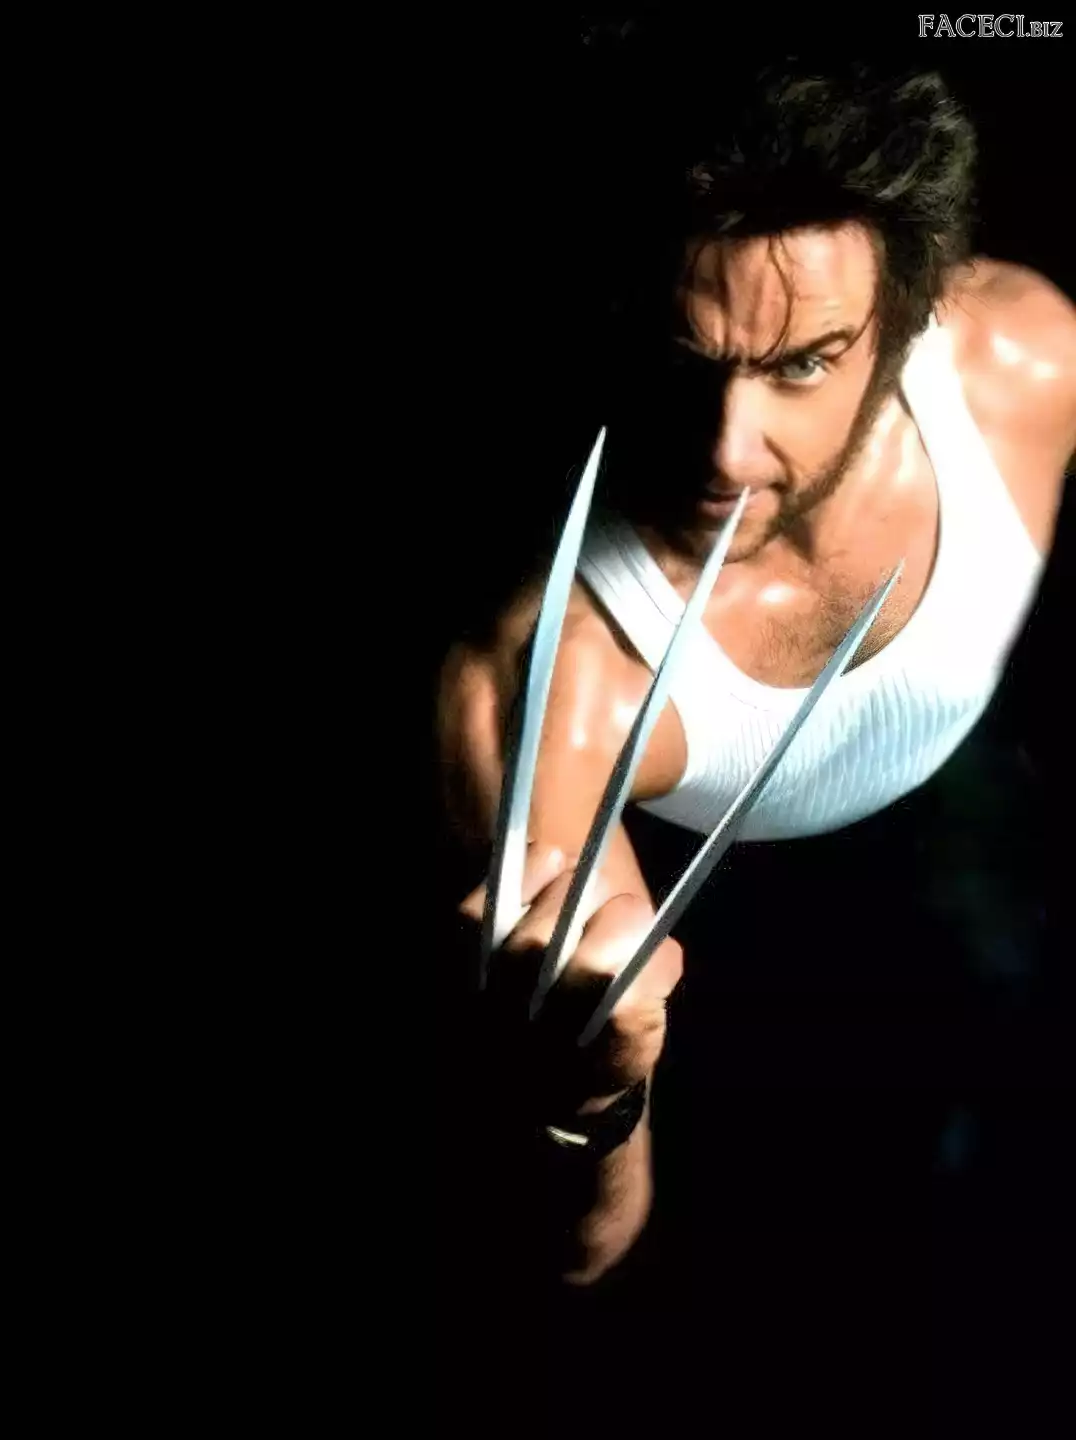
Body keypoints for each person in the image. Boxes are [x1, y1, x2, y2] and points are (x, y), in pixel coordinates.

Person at [438, 46, 1076, 1423]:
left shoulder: (1029, 358)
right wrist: (591, 1098)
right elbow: (585, 1253)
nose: (727, 449)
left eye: (804, 363)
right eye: (690, 362)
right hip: (768, 1026)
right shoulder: (553, 680)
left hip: (1000, 855)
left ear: (917, 309)